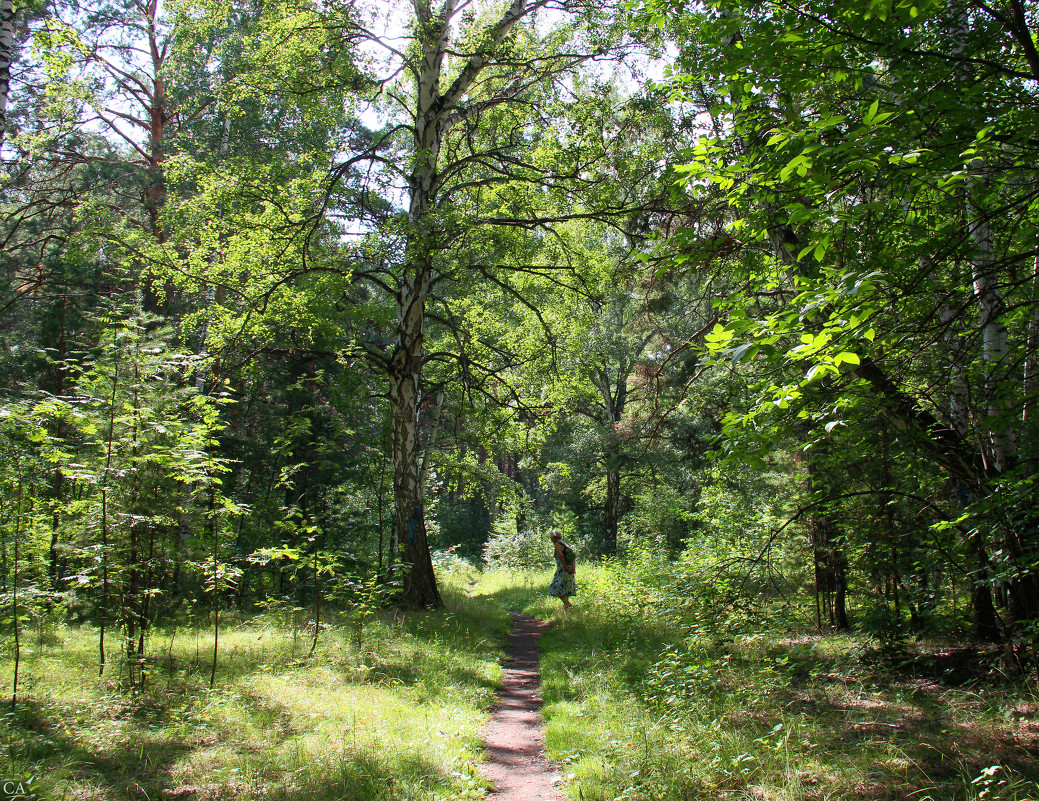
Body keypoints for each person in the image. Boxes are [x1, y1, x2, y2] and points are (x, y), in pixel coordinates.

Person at [548, 529, 576, 610]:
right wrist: (573, 568)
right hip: (569, 569)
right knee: (565, 588)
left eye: (551, 537)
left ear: (554, 537)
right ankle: (566, 607)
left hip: (563, 569)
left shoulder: (557, 544)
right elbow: (573, 557)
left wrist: (566, 568)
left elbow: (561, 557)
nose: (550, 539)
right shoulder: (565, 544)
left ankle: (568, 604)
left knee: (555, 587)